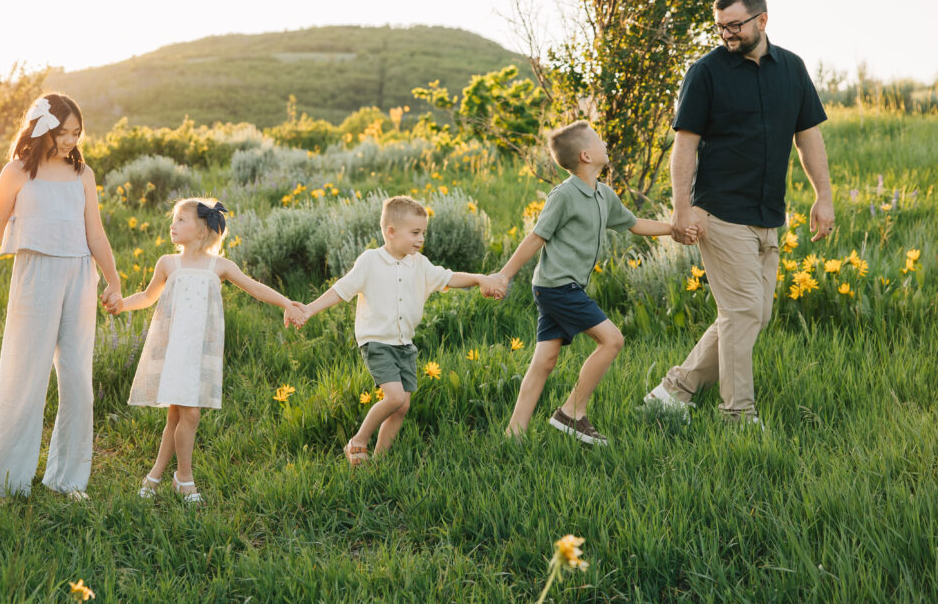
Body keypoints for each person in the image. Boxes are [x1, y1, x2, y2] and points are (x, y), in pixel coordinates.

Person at [644, 0, 833, 427]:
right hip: (720, 211)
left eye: (735, 25)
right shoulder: (705, 73)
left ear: (761, 20)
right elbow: (685, 146)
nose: (726, 34)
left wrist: (823, 196)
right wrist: (681, 208)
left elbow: (808, 137)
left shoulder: (792, 69)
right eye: (721, 27)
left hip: (769, 213)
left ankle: (673, 392)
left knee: (752, 315)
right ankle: (737, 415)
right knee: (743, 311)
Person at [485, 122, 679, 445]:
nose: (606, 142)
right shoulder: (564, 195)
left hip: (561, 288)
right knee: (613, 340)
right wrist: (503, 275)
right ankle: (571, 413)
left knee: (544, 361)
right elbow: (535, 238)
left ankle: (513, 435)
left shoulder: (604, 195)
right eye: (599, 140)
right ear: (586, 155)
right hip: (558, 287)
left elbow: (633, 224)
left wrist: (673, 229)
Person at [112, 198, 304, 504]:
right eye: (173, 220)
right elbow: (148, 296)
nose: (172, 226)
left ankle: (156, 476)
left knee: (179, 414)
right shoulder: (167, 263)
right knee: (187, 412)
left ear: (202, 231)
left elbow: (254, 287)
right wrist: (122, 304)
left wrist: (286, 303)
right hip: (174, 348)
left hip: (200, 352)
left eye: (181, 220)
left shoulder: (220, 266)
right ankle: (183, 479)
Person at [0, 93, 123, 499]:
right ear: (42, 128)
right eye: (63, 133)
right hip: (36, 274)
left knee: (77, 376)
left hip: (80, 274)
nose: (70, 141)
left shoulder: (83, 173)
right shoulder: (17, 172)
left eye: (77, 133)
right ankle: (10, 482)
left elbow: (95, 232)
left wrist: (112, 281)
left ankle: (68, 478)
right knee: (25, 375)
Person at [297, 195, 495, 465]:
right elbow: (341, 290)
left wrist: (480, 278)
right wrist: (309, 309)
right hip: (377, 342)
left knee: (402, 406)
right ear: (390, 232)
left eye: (423, 232)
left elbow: (449, 277)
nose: (420, 238)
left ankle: (379, 460)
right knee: (395, 397)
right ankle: (358, 441)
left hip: (405, 344)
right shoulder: (370, 261)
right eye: (414, 232)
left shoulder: (420, 264)